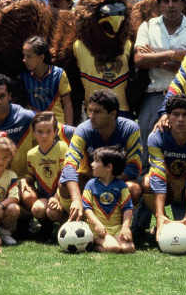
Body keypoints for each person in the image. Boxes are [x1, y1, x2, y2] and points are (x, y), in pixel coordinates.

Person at [60, 89, 143, 221]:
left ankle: (121, 227)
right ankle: (76, 223)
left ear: (113, 114)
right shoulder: (83, 129)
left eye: (97, 112)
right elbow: (69, 165)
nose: (91, 116)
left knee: (133, 189)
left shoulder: (130, 129)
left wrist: (106, 181)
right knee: (64, 186)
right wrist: (76, 199)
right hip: (90, 178)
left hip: (118, 179)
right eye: (89, 110)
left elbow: (134, 167)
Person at [134, 0, 186, 143]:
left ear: (183, 3)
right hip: (154, 96)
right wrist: (173, 54)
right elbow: (139, 59)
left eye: (175, 0)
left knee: (185, 149)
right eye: (166, 1)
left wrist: (156, 59)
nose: (171, 5)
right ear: (159, 5)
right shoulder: (148, 26)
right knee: (148, 148)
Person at [144, 95, 186, 240]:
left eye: (185, 114)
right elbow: (158, 176)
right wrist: (159, 215)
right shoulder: (156, 136)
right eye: (175, 114)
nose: (180, 119)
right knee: (147, 182)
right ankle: (162, 222)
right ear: (167, 117)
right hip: (168, 184)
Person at [82, 146, 135, 254]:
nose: (92, 164)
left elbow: (127, 208)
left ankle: (111, 241)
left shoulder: (121, 186)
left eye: (96, 161)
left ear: (109, 167)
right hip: (98, 228)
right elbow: (87, 208)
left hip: (116, 228)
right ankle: (93, 243)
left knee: (128, 248)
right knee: (113, 248)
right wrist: (97, 224)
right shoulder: (91, 184)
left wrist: (125, 228)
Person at [21, 111, 68, 233]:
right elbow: (31, 175)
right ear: (34, 133)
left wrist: (57, 197)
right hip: (45, 196)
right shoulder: (31, 154)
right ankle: (46, 227)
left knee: (52, 212)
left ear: (55, 132)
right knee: (37, 209)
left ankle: (67, 225)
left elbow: (66, 177)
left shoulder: (63, 148)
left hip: (62, 195)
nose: (44, 136)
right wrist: (25, 181)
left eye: (48, 131)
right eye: (40, 132)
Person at [19, 35, 73, 125]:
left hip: (57, 126)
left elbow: (67, 104)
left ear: (41, 57)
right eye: (24, 55)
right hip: (36, 128)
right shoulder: (24, 77)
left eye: (29, 56)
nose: (24, 60)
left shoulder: (59, 74)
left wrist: (69, 129)